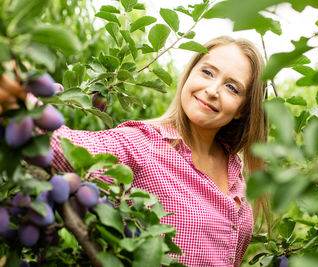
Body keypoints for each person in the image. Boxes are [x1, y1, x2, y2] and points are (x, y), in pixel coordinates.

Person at [42, 36, 267, 266]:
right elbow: (64, 149)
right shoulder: (145, 144)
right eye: (207, 72)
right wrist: (19, 103)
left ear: (242, 109)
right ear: (189, 74)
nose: (212, 90)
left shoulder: (236, 174)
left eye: (232, 87)